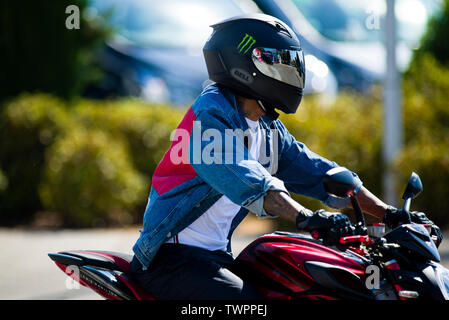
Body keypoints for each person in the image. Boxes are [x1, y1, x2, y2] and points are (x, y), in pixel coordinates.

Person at [129, 13, 442, 300]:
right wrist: (307, 217)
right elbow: (247, 180)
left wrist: (390, 214)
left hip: (215, 257)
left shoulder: (266, 126)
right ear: (245, 64)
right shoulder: (210, 116)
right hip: (169, 261)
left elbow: (319, 173)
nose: (290, 73)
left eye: (291, 64)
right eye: (279, 63)